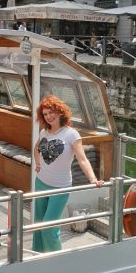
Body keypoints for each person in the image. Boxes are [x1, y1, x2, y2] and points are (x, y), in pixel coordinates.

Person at [33, 96, 104, 252]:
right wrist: (38, 163)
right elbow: (36, 149)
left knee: (49, 227)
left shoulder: (71, 134)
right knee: (38, 223)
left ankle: (54, 260)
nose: (48, 117)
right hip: (41, 182)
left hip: (60, 187)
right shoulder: (44, 132)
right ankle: (37, 255)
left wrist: (93, 179)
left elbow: (82, 159)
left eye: (51, 112)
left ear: (60, 112)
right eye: (45, 114)